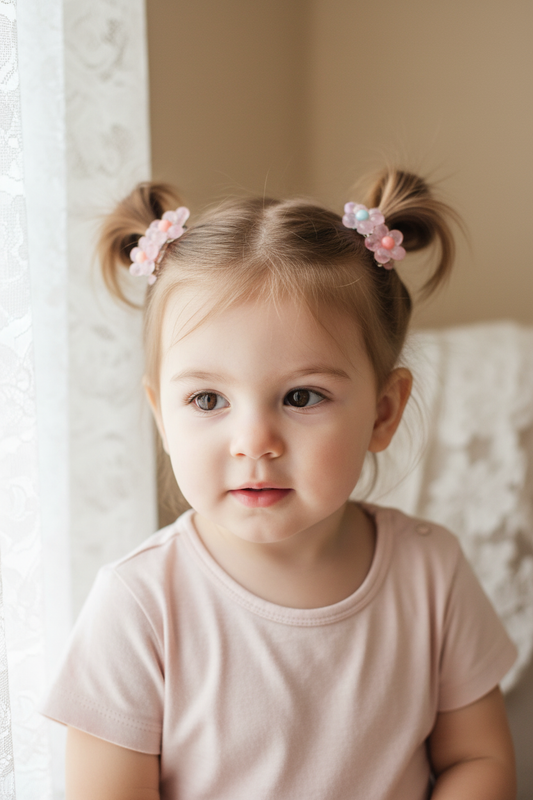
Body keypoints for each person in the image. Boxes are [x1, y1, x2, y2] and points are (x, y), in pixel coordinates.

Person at [41, 168, 518, 800]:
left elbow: (478, 760)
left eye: (301, 396)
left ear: (383, 412)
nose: (253, 440)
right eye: (208, 399)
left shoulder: (430, 572)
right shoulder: (139, 607)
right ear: (161, 417)